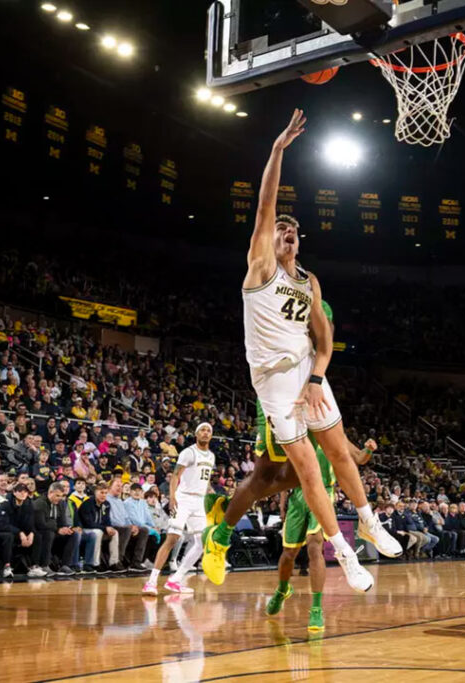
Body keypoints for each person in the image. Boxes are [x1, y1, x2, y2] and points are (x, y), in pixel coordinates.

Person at [201, 109, 399, 592]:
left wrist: (317, 376)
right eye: (280, 231)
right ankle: (345, 554)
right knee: (298, 469)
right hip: (272, 381)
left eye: (294, 232)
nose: (287, 235)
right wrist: (277, 149)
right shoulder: (261, 266)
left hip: (308, 374)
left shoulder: (309, 281)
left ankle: (369, 520)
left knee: (338, 453)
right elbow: (266, 206)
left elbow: (325, 338)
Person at [264, 427, 358, 632]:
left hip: (323, 492)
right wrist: (282, 503)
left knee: (315, 545)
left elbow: (359, 458)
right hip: (298, 496)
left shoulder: (332, 434)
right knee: (289, 553)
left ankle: (316, 608)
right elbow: (285, 471)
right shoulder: (296, 433)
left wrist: (368, 450)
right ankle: (282, 590)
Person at [143, 422, 216, 596]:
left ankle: (175, 580)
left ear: (211, 436)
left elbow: (204, 481)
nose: (205, 433)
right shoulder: (188, 452)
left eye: (208, 431)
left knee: (202, 542)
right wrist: (173, 496)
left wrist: (211, 495)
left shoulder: (212, 456)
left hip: (199, 502)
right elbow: (175, 476)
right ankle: (151, 582)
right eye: (202, 430)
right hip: (183, 498)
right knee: (173, 538)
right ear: (197, 434)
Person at [0, 482, 36, 578]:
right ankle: (6, 567)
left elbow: (30, 522)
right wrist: (20, 533)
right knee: (8, 537)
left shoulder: (28, 505)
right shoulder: (5, 505)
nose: (23, 494)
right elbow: (1, 525)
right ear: (14, 492)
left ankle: (34, 566)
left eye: (25, 492)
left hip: (17, 533)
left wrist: (31, 533)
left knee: (38, 536)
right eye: (20, 491)